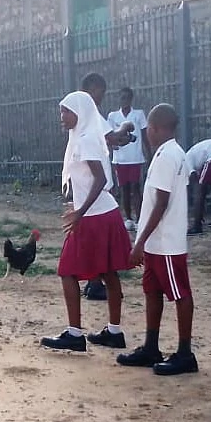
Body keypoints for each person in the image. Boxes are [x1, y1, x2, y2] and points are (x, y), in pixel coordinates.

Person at [40, 91, 131, 352]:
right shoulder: (82, 137)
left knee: (67, 272)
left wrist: (79, 213)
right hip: (101, 213)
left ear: (79, 111)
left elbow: (101, 181)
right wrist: (77, 205)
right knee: (107, 272)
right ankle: (114, 332)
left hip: (93, 217)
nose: (62, 117)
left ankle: (75, 334)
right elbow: (90, 181)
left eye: (65, 111)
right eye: (61, 111)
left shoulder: (86, 139)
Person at [117, 104, 197, 375]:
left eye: (149, 128)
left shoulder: (168, 156)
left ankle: (185, 354)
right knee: (152, 291)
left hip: (166, 243)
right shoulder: (170, 153)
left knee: (179, 293)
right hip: (155, 243)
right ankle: (151, 346)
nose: (147, 133)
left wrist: (139, 243)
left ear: (157, 128)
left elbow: (161, 204)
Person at [80, 73, 136, 302]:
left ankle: (94, 281)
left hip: (92, 184)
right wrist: (126, 126)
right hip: (97, 186)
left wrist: (123, 138)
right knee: (100, 238)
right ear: (93, 89)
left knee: (94, 236)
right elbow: (113, 136)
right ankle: (96, 282)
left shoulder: (85, 115)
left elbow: (112, 140)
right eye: (101, 91)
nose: (102, 96)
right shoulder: (92, 114)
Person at [107, 87, 152, 231]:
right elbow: (109, 137)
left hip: (135, 158)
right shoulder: (113, 116)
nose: (124, 100)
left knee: (136, 188)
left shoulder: (138, 114)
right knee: (124, 189)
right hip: (120, 159)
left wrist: (149, 154)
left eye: (127, 97)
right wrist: (110, 148)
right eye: (122, 97)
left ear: (131, 99)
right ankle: (128, 219)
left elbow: (145, 136)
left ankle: (139, 219)